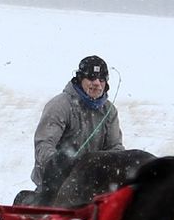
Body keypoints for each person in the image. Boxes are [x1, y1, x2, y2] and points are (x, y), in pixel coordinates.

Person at [30, 54, 124, 200]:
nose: (97, 83)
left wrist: (104, 170)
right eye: (92, 78)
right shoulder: (60, 105)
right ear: (80, 79)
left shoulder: (109, 111)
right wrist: (61, 166)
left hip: (93, 187)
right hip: (55, 186)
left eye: (101, 79)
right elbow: (43, 145)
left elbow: (116, 148)